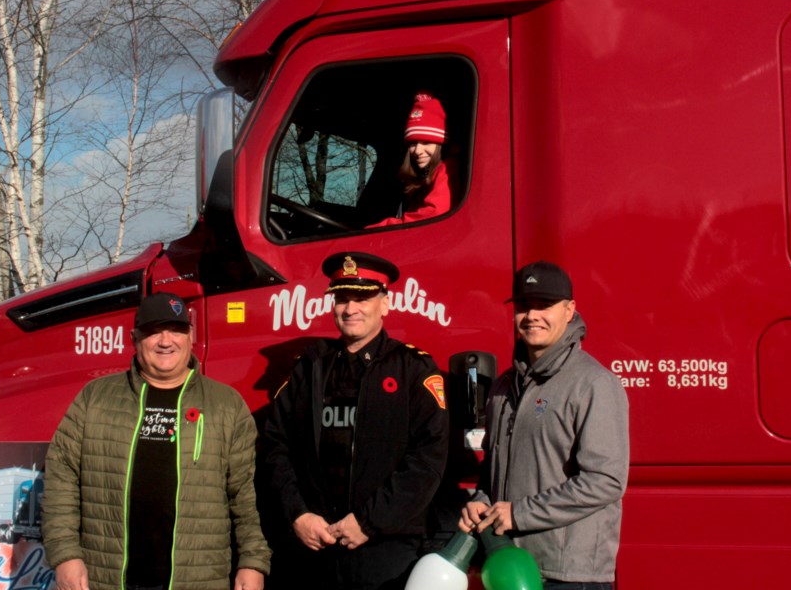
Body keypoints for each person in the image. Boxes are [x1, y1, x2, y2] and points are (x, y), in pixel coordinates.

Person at [43, 292, 270, 590]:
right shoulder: (95, 397)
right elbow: (61, 479)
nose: (166, 341)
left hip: (198, 579)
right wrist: (65, 555)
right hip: (106, 577)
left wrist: (252, 562)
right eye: (153, 331)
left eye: (176, 330)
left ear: (190, 336)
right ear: (135, 338)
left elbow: (246, 494)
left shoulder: (226, 404)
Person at [263, 252, 450, 590]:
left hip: (385, 551)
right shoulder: (307, 369)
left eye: (362, 298)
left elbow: (428, 461)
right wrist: (298, 515)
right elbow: (276, 447)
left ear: (385, 303)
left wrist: (368, 522)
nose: (351, 309)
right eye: (342, 298)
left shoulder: (413, 370)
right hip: (313, 548)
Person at [459, 261, 629, 589]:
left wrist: (520, 514)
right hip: (510, 568)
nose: (532, 315)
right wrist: (480, 499)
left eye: (544, 305)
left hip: (569, 575)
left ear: (570, 310)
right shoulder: (503, 388)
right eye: (524, 306)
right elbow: (493, 472)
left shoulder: (594, 383)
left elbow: (605, 480)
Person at [368, 91, 457, 227]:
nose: (417, 151)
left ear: (441, 145)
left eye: (426, 143)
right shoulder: (423, 176)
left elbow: (431, 216)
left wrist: (376, 231)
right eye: (412, 144)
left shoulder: (448, 170)